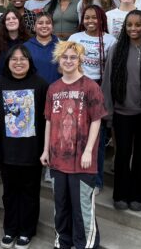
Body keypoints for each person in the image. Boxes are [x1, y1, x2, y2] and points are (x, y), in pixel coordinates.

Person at [40, 41, 106, 249]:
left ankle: (84, 244)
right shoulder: (53, 88)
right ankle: (63, 241)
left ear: (80, 60)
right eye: (65, 57)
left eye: (73, 57)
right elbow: (49, 121)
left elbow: (97, 120)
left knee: (82, 208)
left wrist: (88, 151)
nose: (68, 61)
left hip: (82, 162)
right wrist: (45, 150)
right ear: (59, 60)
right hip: (58, 159)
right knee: (61, 206)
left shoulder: (90, 86)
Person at [0, 45, 49, 249]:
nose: (19, 62)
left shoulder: (40, 84)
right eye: (14, 59)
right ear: (7, 62)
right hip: (7, 152)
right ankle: (10, 229)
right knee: (9, 192)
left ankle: (26, 231)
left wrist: (45, 149)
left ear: (29, 62)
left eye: (23, 59)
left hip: (32, 152)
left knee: (30, 193)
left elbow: (47, 120)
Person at [100, 10, 141, 211]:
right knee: (123, 153)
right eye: (129, 25)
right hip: (122, 112)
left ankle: (139, 196)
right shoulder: (117, 49)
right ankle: (121, 195)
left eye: (138, 25)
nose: (133, 28)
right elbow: (107, 81)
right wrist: (108, 112)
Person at [68, 5, 116, 191]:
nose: (90, 21)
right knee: (74, 135)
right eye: (87, 18)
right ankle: (75, 174)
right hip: (77, 88)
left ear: (102, 19)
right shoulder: (75, 38)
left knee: (98, 137)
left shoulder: (110, 40)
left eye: (94, 18)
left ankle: (96, 181)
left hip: (100, 89)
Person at [0, 10, 30, 76]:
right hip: (0, 83)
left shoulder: (28, 42)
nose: (11, 21)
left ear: (20, 21)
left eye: (14, 18)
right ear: (4, 23)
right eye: (8, 19)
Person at [24, 13, 61, 84]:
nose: (44, 26)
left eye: (48, 23)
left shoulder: (62, 46)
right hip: (34, 90)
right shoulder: (25, 47)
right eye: (40, 23)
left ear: (53, 27)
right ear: (34, 27)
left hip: (57, 90)